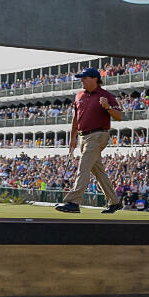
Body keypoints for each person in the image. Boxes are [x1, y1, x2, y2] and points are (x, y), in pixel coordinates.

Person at [60, 65, 123, 213]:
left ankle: (73, 202)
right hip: (83, 137)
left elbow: (119, 117)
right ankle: (114, 202)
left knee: (84, 165)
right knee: (98, 171)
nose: (81, 80)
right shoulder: (79, 95)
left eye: (85, 78)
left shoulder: (107, 96)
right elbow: (76, 118)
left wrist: (107, 107)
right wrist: (72, 137)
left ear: (95, 79)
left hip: (98, 135)